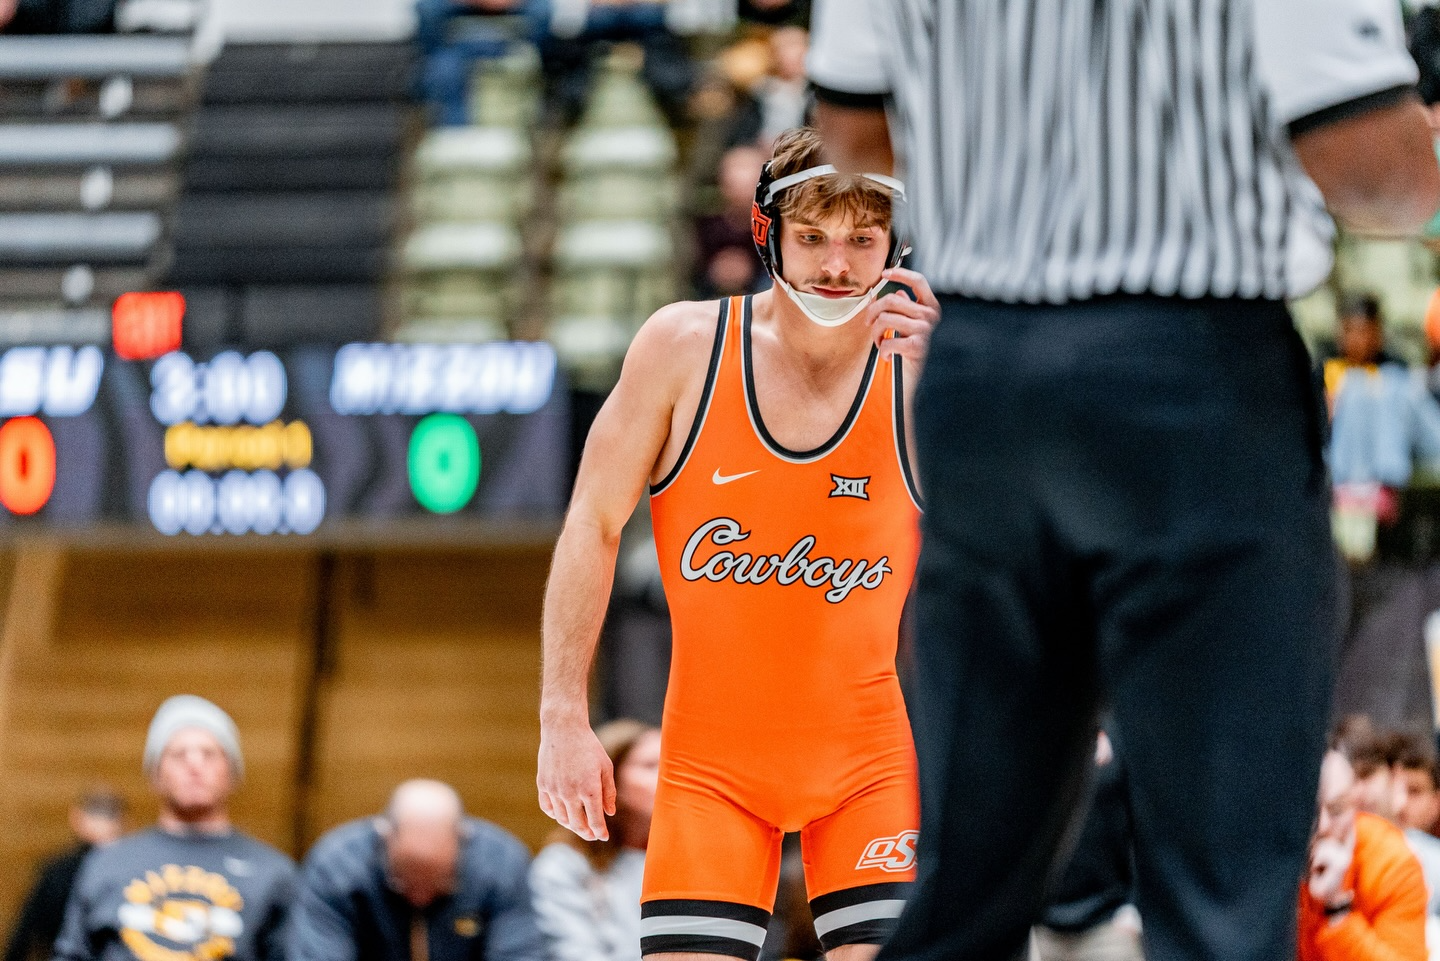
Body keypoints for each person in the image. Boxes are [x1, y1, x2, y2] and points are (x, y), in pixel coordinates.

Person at [806, 0, 1440, 959]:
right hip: (1192, 372)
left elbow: (852, 130)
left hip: (983, 375)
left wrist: (1016, 144)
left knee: (968, 878)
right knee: (1217, 890)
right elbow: (1367, 165)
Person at [536, 125, 939, 961]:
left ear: (893, 242)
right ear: (768, 235)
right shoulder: (683, 347)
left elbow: (1009, 545)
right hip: (708, 769)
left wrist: (962, 391)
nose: (838, 264)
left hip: (869, 764)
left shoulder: (925, 367)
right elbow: (592, 523)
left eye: (862, 239)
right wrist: (563, 716)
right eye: (814, 236)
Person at [52, 696, 296, 961]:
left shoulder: (273, 873)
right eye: (178, 754)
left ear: (232, 772)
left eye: (209, 754)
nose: (194, 765)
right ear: (155, 773)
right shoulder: (107, 863)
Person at [290, 779, 546, 961]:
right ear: (382, 836)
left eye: (439, 883)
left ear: (465, 839)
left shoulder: (502, 863)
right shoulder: (336, 865)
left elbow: (520, 953)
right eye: (403, 882)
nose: (420, 897)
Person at [530, 720, 660, 961]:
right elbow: (574, 953)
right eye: (651, 766)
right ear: (609, 778)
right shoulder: (564, 864)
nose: (666, 778)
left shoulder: (691, 857)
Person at [1300, 748, 1428, 961]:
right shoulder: (1258, 857)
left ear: (1355, 805)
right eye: (1308, 811)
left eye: (1337, 809)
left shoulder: (1392, 862)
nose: (1322, 826)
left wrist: (1337, 908)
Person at [1032, 733, 1141, 961]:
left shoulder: (1120, 731)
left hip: (1108, 925)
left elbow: (1146, 822)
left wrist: (1133, 908)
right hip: (1036, 926)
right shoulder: (1028, 730)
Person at [4, 789, 125, 961]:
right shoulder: (58, 870)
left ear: (76, 818)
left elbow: (25, 931)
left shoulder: (58, 869)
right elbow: (26, 928)